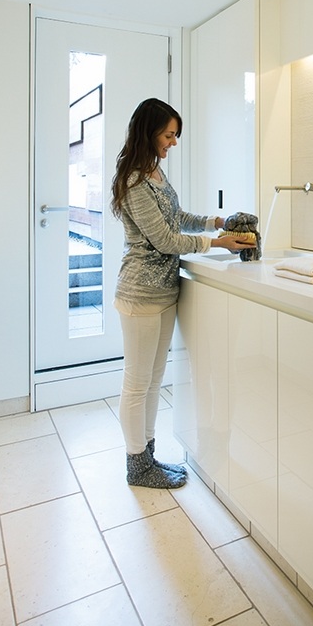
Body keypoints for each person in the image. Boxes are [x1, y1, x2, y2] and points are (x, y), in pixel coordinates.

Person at [111, 98, 253, 489]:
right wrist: (217, 243)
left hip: (163, 293)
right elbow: (164, 238)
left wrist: (216, 221)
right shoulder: (134, 181)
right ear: (149, 131)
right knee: (137, 382)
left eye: (175, 136)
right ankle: (136, 465)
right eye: (169, 135)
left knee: (155, 380)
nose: (173, 142)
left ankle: (148, 457)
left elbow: (178, 217)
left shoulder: (154, 173)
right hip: (140, 293)